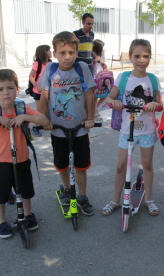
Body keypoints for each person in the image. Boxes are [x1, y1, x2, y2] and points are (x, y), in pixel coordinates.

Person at [0, 69, 51, 238]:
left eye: (10, 88)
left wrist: (25, 118)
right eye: (0, 89)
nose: (5, 92)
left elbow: (43, 120)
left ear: (17, 89)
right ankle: (1, 221)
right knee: (0, 193)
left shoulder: (21, 107)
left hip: (21, 158)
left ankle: (28, 215)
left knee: (25, 190)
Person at [102, 39, 163, 216]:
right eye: (137, 56)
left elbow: (161, 105)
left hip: (147, 131)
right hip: (127, 130)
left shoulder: (152, 79)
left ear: (150, 58)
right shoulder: (123, 77)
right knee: (121, 166)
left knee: (147, 165)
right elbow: (108, 99)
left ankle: (149, 200)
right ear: (130, 57)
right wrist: (115, 102)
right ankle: (115, 201)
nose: (141, 60)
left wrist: (154, 105)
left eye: (146, 56)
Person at [38, 31, 97, 215]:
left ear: (77, 52)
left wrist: (90, 117)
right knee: (62, 163)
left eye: (71, 52)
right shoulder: (50, 69)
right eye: (62, 53)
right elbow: (44, 95)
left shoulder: (81, 68)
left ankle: (82, 196)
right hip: (57, 129)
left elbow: (89, 94)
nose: (67, 57)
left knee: (81, 165)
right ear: (54, 53)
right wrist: (43, 119)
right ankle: (66, 188)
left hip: (79, 128)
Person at [29, 45, 52, 137]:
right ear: (43, 52)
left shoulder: (50, 63)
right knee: (39, 110)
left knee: (48, 108)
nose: (51, 52)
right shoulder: (37, 64)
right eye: (48, 50)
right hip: (38, 91)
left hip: (48, 90)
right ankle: (35, 126)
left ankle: (46, 123)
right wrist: (36, 85)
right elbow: (31, 76)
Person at [93, 39, 108, 121]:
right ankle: (95, 113)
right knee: (95, 97)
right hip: (95, 80)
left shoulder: (100, 58)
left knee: (105, 94)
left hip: (101, 79)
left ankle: (95, 110)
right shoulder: (94, 59)